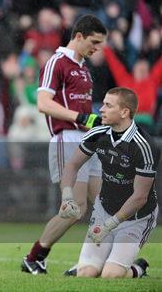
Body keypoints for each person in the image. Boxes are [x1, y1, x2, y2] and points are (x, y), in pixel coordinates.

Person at [22, 14, 107, 275]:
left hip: (87, 142)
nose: (97, 49)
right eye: (94, 42)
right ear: (78, 36)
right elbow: (43, 104)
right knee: (75, 208)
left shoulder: (83, 67)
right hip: (67, 140)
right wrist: (80, 117)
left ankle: (93, 262)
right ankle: (34, 257)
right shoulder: (57, 62)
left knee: (107, 205)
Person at [59, 87, 158, 278]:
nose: (101, 109)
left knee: (110, 275)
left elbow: (140, 197)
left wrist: (110, 225)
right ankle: (88, 264)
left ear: (124, 112)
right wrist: (67, 196)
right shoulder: (98, 133)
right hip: (104, 210)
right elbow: (72, 165)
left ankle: (138, 269)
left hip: (135, 219)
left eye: (107, 105)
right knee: (87, 273)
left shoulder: (144, 146)